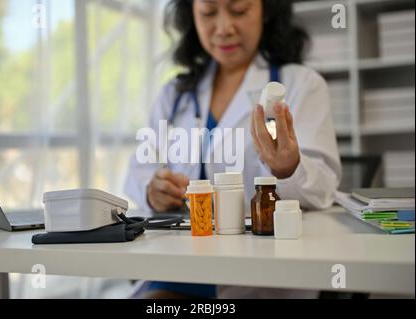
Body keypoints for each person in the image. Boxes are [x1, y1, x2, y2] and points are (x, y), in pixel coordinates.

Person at [124, 0, 341, 299]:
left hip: (261, 273)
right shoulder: (174, 94)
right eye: (208, 13)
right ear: (192, 17)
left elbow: (323, 188)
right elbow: (138, 170)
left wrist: (288, 168)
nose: (224, 28)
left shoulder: (301, 84)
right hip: (178, 265)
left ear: (265, 11)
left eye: (239, 10)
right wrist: (152, 188)